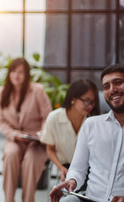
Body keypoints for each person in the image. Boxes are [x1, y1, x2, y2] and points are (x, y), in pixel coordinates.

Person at [50, 64, 124, 202]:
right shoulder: (91, 125)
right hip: (90, 199)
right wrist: (72, 180)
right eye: (106, 86)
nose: (112, 90)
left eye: (118, 82)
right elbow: (78, 169)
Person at [0, 57, 52, 202]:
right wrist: (13, 134)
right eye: (13, 71)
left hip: (36, 140)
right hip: (15, 138)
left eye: (21, 72)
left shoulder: (37, 90)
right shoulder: (1, 93)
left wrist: (41, 134)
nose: (16, 75)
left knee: (31, 160)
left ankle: (28, 199)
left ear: (26, 74)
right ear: (9, 73)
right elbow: (0, 120)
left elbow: (48, 116)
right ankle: (9, 199)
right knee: (10, 154)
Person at [41, 79, 100, 182]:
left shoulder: (94, 121)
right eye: (86, 101)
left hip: (91, 170)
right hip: (66, 167)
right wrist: (60, 167)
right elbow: (50, 149)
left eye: (92, 102)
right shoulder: (54, 118)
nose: (90, 106)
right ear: (73, 99)